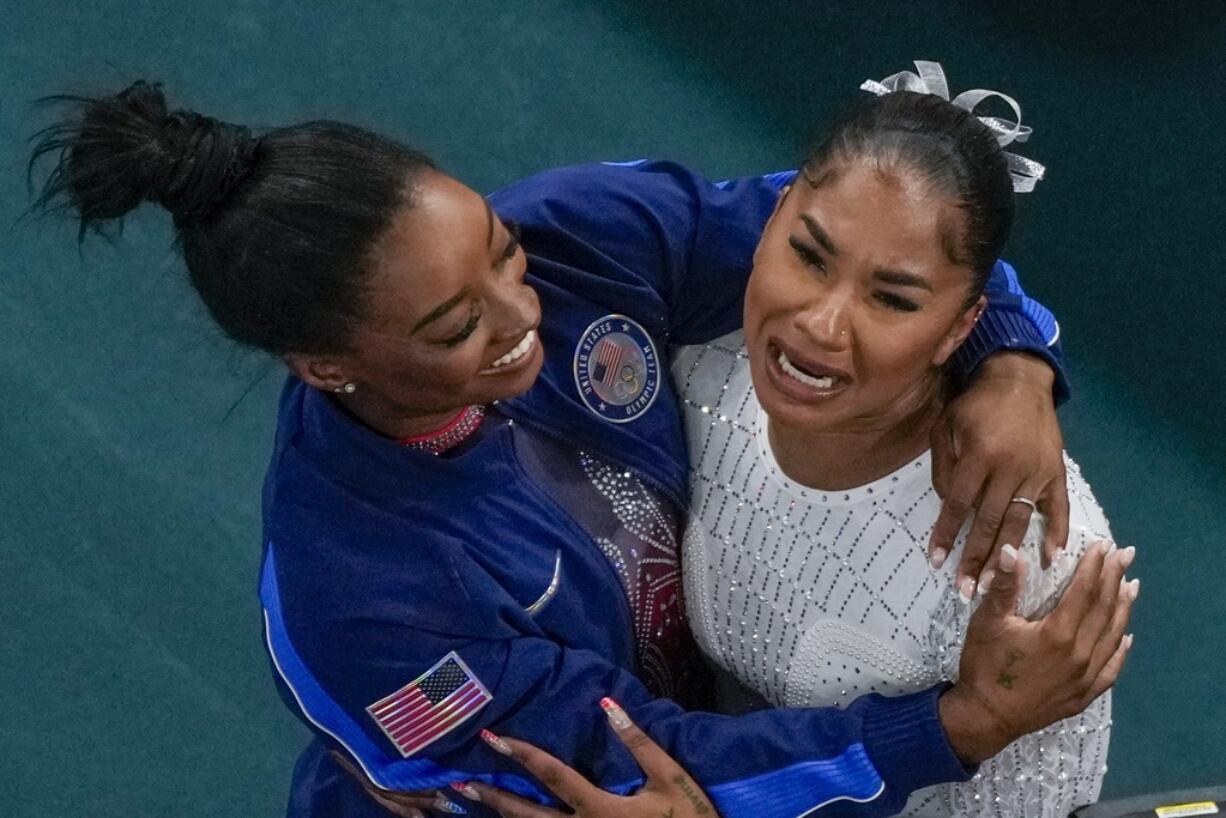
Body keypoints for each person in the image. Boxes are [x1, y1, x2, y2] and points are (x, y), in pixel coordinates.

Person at [31, 79, 1128, 818]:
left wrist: (1008, 354)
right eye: (454, 328)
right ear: (326, 364)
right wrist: (958, 724)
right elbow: (651, 770)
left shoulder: (577, 234)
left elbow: (846, 237)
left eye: (500, 256)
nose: (520, 314)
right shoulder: (365, 596)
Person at [669, 64, 1129, 816]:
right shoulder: (697, 364)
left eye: (891, 299)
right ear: (775, 213)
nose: (821, 326)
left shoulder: (1028, 547)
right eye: (809, 257)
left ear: (960, 326)